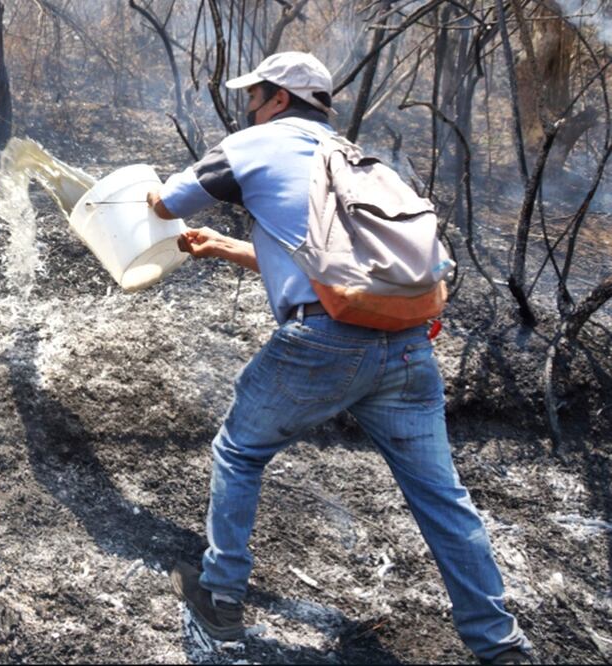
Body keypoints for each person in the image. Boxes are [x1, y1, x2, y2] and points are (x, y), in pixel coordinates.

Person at [146, 51, 533, 665]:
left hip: (324, 344)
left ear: (278, 98)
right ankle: (501, 644)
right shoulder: (354, 158)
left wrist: (135, 191)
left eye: (254, 96)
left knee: (239, 452)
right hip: (406, 345)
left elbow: (167, 204)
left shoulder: (255, 143)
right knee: (442, 497)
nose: (248, 107)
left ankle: (219, 601)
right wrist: (226, 247)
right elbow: (342, 273)